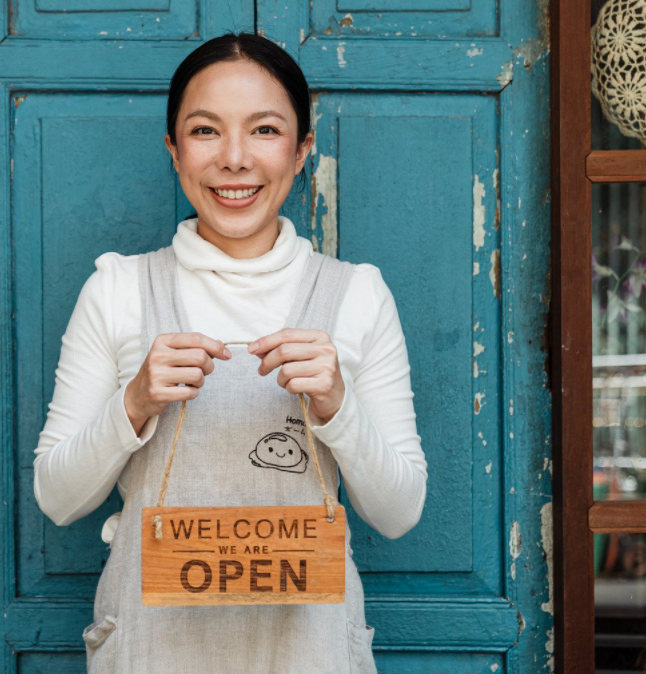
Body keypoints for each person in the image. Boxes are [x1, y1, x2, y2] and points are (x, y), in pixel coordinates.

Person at [32, 31, 428, 674]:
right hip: (152, 650)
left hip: (310, 652)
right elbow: (57, 497)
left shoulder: (356, 295)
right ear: (174, 149)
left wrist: (336, 405)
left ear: (302, 151)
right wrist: (133, 403)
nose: (235, 158)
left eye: (266, 130)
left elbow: (400, 511)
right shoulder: (118, 290)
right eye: (206, 130)